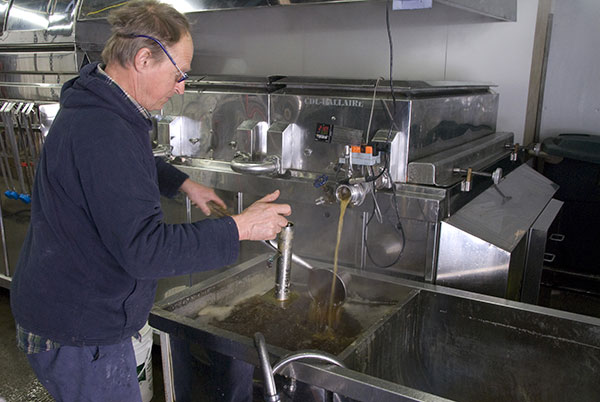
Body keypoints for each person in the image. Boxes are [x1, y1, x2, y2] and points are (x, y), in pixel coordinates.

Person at [9, 1, 291, 401]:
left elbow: (123, 167)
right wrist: (241, 227)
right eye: (180, 75)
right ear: (143, 59)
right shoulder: (105, 129)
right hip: (79, 330)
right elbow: (146, 251)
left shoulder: (104, 102)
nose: (182, 88)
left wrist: (183, 183)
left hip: (65, 305)